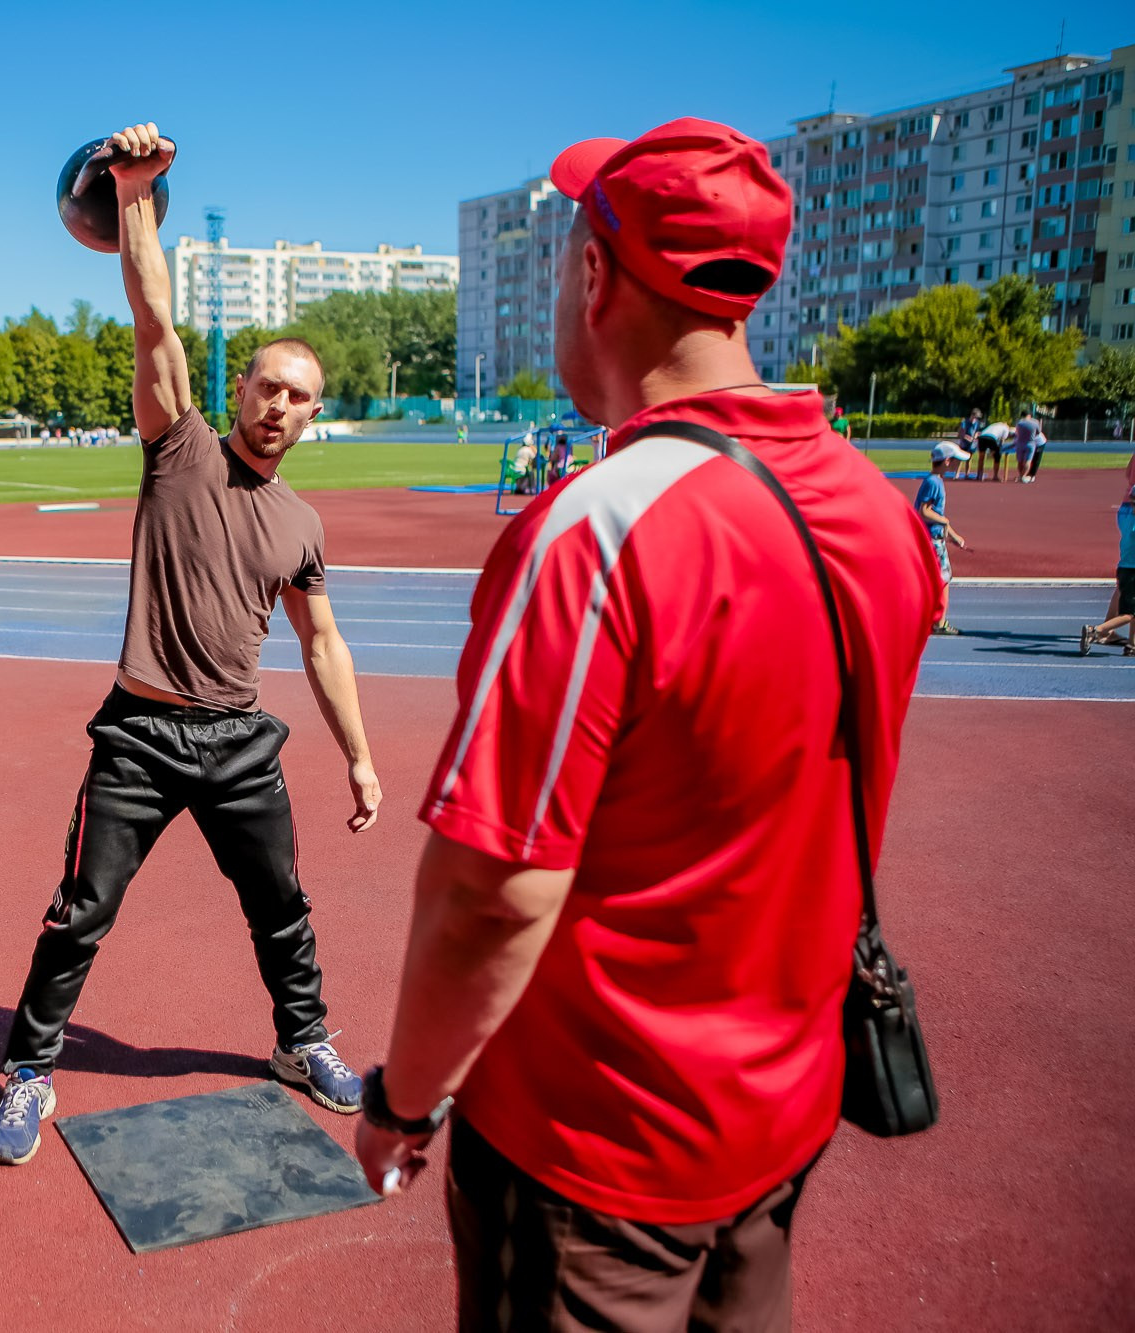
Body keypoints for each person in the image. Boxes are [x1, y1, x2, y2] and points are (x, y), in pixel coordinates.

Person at [354, 118, 938, 1330]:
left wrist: (404, 1100)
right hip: (780, 1110)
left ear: (591, 275)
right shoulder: (881, 516)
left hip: (596, 1145)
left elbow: (490, 891)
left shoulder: (599, 525)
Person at [0, 122, 383, 1167]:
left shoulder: (299, 523)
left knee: (282, 909)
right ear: (239, 389)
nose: (277, 405)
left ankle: (302, 1044)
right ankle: (27, 1071)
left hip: (239, 740)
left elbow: (323, 643)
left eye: (297, 395)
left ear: (310, 414)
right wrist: (134, 195)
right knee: (80, 912)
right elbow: (152, 315)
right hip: (140, 736)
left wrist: (358, 751)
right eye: (265, 386)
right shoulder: (179, 447)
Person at [917, 444, 970, 635]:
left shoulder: (934, 481)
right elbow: (924, 511)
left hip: (935, 537)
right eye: (956, 461)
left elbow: (935, 514)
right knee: (943, 579)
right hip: (933, 540)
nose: (959, 465)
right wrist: (945, 522)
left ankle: (930, 618)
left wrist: (953, 535)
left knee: (934, 580)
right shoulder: (934, 482)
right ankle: (939, 622)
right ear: (947, 461)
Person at [1078, 479, 1135, 656]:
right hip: (1133, 570)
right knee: (1129, 614)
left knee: (1134, 609)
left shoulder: (1126, 519)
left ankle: (1132, 645)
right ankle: (1096, 630)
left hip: (1125, 568)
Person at [1014, 409, 1043, 483]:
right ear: (1029, 415)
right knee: (1028, 461)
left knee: (1020, 461)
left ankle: (1020, 475)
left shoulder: (1019, 423)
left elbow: (1016, 432)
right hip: (1030, 443)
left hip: (1020, 443)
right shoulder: (1035, 422)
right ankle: (1024, 476)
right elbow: (1038, 432)